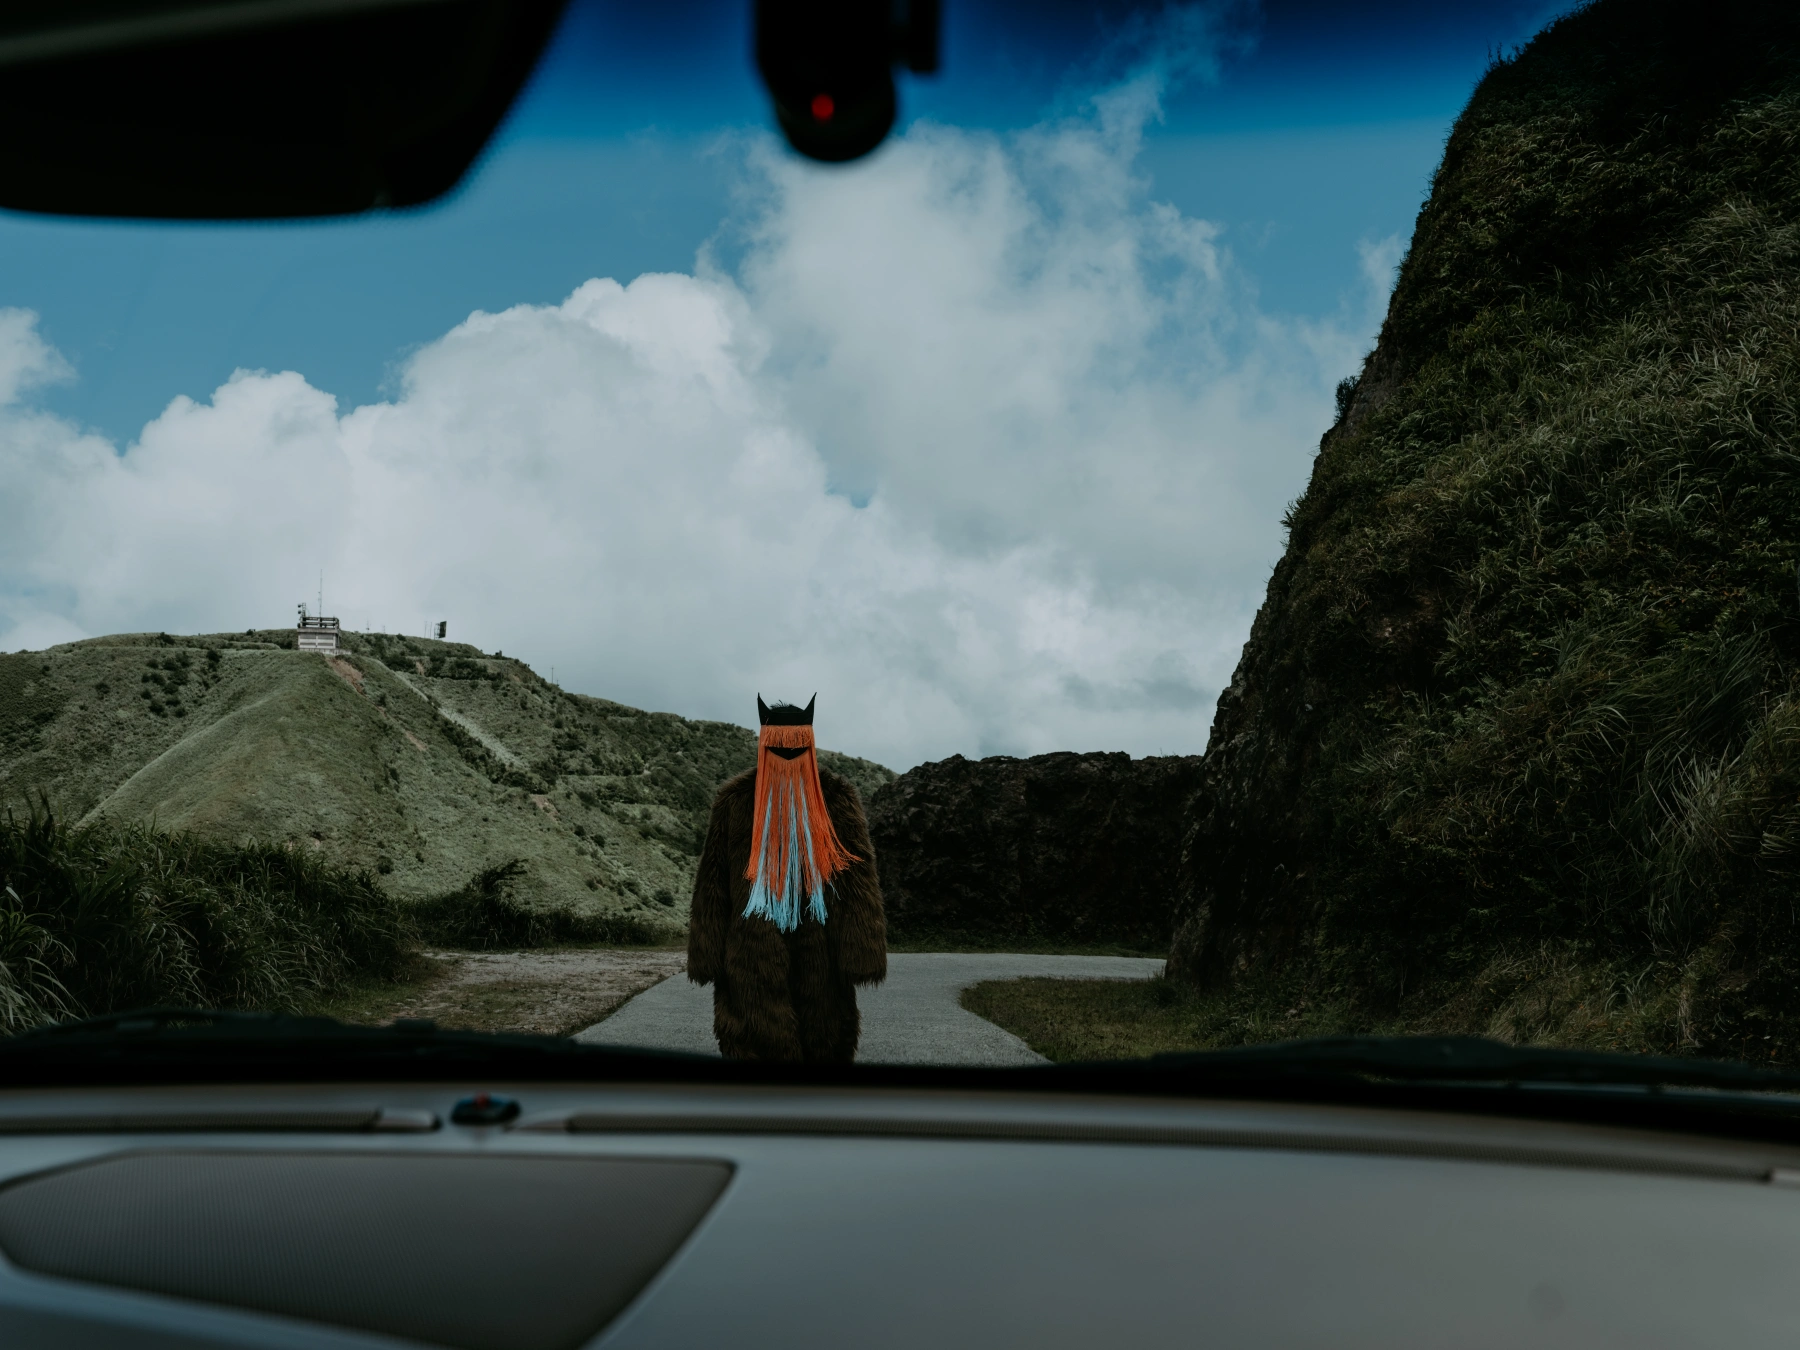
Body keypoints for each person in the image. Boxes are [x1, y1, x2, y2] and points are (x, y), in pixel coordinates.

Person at [687, 695, 886, 1062]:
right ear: (764, 743)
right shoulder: (734, 801)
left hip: (822, 952)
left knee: (822, 1041)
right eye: (778, 747)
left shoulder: (836, 799)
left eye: (795, 748)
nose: (787, 757)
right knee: (754, 1044)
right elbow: (712, 883)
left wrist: (862, 950)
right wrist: (707, 952)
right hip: (750, 956)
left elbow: (858, 879)